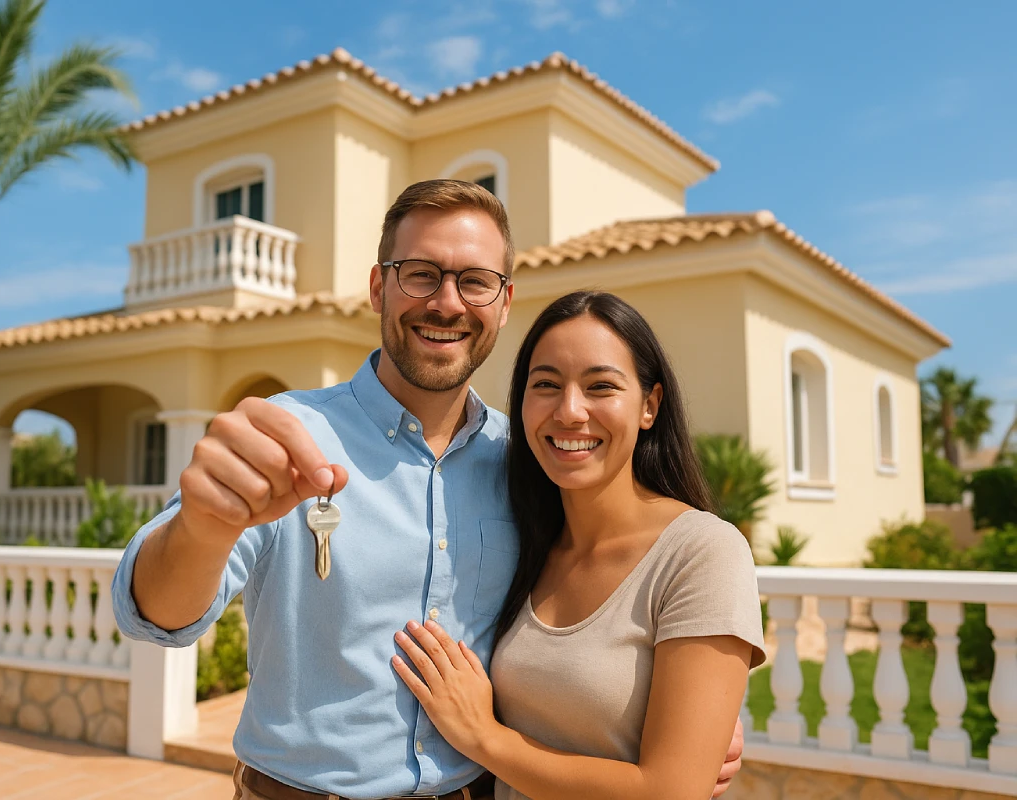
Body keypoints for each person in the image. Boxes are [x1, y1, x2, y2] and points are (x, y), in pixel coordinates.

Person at [112, 180, 744, 800]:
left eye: (474, 281)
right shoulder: (288, 439)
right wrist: (204, 525)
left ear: (502, 302)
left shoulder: (531, 461)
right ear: (378, 287)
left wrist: (687, 712)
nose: (447, 302)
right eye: (420, 273)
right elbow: (158, 617)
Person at [390, 290, 766, 800]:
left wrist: (483, 737)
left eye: (601, 386)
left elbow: (671, 791)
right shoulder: (528, 539)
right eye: (545, 384)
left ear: (649, 406)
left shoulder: (700, 553)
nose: (569, 411)